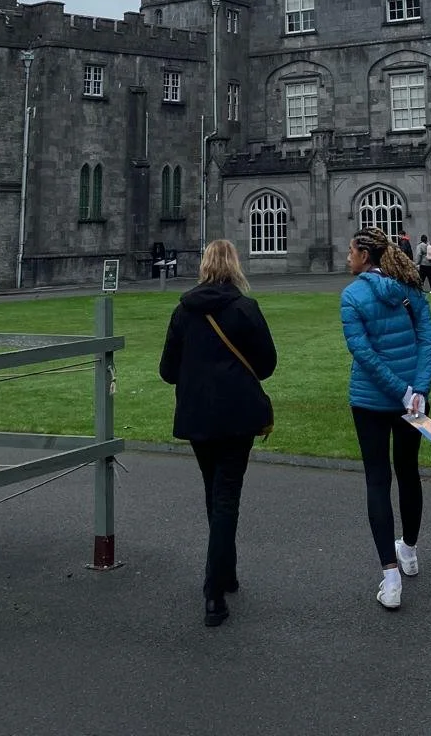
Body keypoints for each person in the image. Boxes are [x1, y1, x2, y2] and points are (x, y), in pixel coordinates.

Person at [159, 239, 277, 627]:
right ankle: (214, 590)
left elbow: (167, 370)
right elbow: (266, 364)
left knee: (215, 492)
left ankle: (225, 572)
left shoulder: (183, 311)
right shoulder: (245, 308)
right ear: (234, 266)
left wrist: (196, 376)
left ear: (205, 265)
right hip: (237, 415)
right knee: (226, 495)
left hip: (198, 417)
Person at [341, 225, 431, 611]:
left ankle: (391, 577)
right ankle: (409, 552)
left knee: (378, 481)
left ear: (365, 256)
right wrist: (418, 390)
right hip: (412, 403)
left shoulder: (352, 295)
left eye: (350, 251)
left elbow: (362, 353)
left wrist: (401, 391)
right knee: (409, 472)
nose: (347, 257)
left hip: (370, 401)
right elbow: (429, 340)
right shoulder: (411, 289)